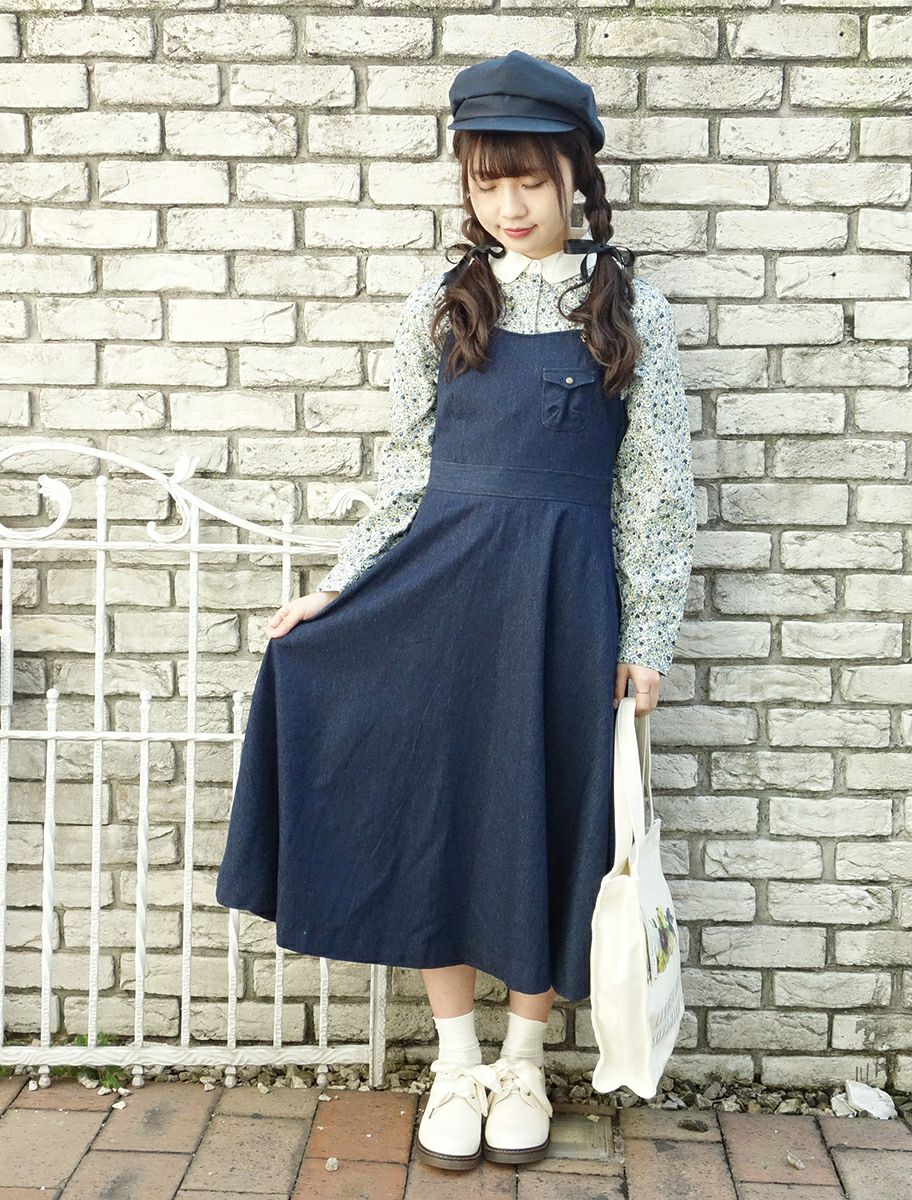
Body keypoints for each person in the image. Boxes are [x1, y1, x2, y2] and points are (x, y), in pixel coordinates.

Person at [215, 49, 696, 1173]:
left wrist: (647, 637)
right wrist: (337, 589)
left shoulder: (631, 311)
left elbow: (656, 488)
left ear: (576, 176)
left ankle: (524, 1060)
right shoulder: (442, 308)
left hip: (563, 609)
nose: (510, 204)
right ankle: (456, 1059)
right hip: (437, 602)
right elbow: (402, 475)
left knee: (546, 816)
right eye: (488, 182)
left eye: (530, 178)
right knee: (435, 817)